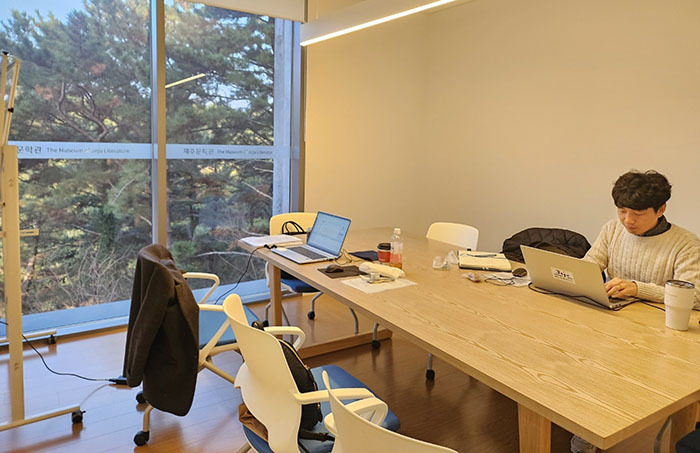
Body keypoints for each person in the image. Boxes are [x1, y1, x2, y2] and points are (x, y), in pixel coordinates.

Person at [572, 170, 700, 453]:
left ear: (661, 209)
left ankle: (592, 429)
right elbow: (589, 266)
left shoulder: (686, 244)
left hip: (659, 337)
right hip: (614, 324)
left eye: (638, 214)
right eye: (622, 211)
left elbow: (695, 296)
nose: (628, 221)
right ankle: (583, 422)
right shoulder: (612, 229)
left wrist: (637, 288)